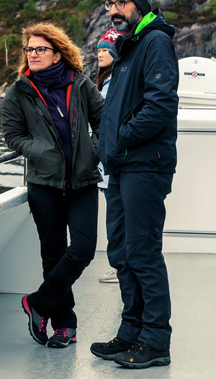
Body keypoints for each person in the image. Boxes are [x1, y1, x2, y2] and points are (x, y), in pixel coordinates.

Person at [91, 0, 178, 369]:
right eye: (110, 4)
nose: (114, 10)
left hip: (144, 164)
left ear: (140, 4)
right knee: (121, 252)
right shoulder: (128, 47)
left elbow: (160, 105)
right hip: (122, 165)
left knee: (143, 253)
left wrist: (122, 138)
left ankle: (156, 340)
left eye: (122, 2)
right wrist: (108, 147)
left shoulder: (155, 41)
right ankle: (131, 331)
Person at [1, 23, 103, 349]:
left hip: (82, 180)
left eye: (40, 49)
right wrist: (41, 152)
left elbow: (104, 122)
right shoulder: (20, 91)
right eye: (29, 50)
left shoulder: (81, 83)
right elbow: (13, 136)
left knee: (84, 248)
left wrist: (94, 152)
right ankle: (65, 325)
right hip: (44, 183)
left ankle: (38, 304)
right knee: (54, 253)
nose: (33, 54)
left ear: (57, 53)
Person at [95, 28, 122, 285]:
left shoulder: (116, 82)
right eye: (99, 50)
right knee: (113, 213)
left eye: (106, 49)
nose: (101, 53)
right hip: (104, 162)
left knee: (116, 216)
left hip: (112, 161)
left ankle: (119, 267)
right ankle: (120, 264)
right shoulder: (104, 80)